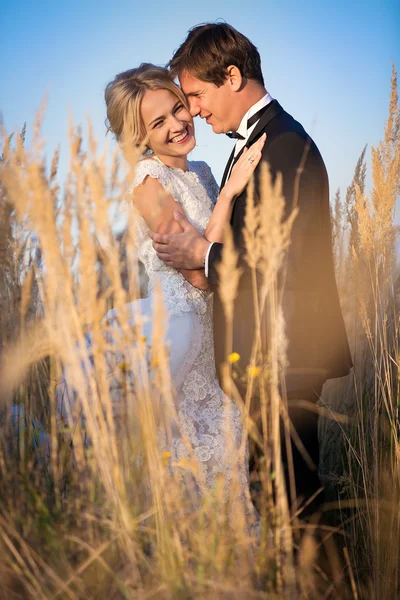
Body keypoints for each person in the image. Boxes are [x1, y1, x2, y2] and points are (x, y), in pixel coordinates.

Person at [149, 23, 353, 515]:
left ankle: (324, 590)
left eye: (196, 94)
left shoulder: (282, 145)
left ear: (233, 76)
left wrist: (202, 255)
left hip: (284, 358)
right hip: (265, 358)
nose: (193, 108)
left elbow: (280, 260)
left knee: (296, 505)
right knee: (276, 499)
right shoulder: (256, 142)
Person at [103, 63, 266, 528]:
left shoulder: (203, 169)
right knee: (195, 472)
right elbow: (199, 274)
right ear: (140, 137)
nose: (177, 124)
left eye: (178, 108)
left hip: (218, 340)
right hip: (182, 342)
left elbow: (213, 251)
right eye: (158, 123)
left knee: (233, 472)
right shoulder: (147, 184)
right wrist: (231, 193)